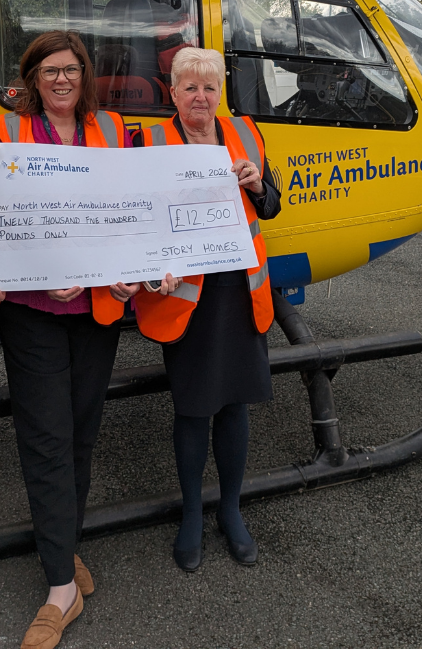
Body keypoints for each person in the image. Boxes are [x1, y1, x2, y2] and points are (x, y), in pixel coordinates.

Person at [0, 30, 134, 649]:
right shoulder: (3, 132)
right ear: (31, 79)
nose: (61, 80)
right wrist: (11, 272)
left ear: (84, 75)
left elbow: (129, 213)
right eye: (49, 71)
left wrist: (124, 271)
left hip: (96, 308)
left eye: (71, 70)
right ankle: (61, 587)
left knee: (81, 435)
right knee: (45, 438)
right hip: (31, 311)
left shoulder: (112, 130)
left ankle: (64, 546)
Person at [134, 46, 278, 572]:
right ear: (172, 92)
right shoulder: (147, 141)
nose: (201, 96)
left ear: (221, 93)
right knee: (194, 409)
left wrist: (257, 184)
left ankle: (231, 510)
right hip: (187, 298)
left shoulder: (245, 134)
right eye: (190, 87)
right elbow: (133, 216)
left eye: (210, 87)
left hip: (239, 292)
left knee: (235, 404)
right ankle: (193, 513)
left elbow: (271, 205)